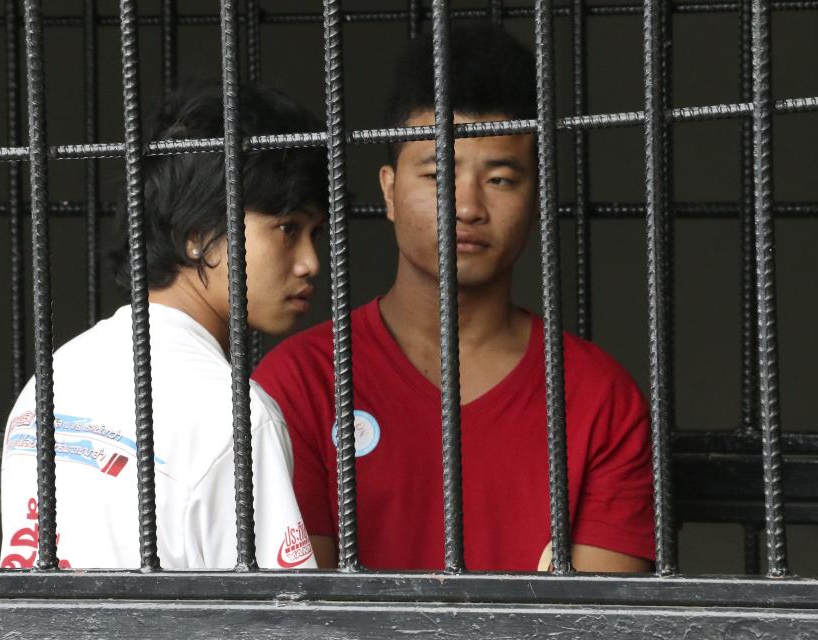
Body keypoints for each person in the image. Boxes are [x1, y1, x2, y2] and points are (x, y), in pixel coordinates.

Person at [252, 25, 655, 572]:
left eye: (501, 180)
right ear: (390, 191)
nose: (467, 206)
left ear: (535, 197)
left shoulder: (599, 400)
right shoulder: (299, 384)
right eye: (440, 173)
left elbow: (593, 623)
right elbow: (306, 614)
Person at [0, 81, 326, 570]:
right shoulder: (238, 415)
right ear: (197, 237)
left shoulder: (51, 381)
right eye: (288, 229)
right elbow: (282, 617)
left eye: (316, 234)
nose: (310, 263)